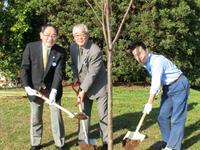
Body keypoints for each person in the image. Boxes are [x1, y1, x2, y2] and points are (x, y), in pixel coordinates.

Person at [129, 41, 190, 150]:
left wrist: (149, 103)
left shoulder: (156, 61)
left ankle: (173, 147)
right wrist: (156, 94)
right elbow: (160, 79)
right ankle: (167, 141)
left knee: (177, 119)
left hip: (179, 84)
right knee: (162, 117)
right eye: (135, 56)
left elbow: (155, 83)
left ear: (146, 50)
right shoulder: (146, 63)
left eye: (140, 53)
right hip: (168, 88)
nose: (138, 58)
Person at [21, 24, 65, 150]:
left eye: (53, 36)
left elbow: (59, 73)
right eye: (47, 35)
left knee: (57, 118)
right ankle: (35, 143)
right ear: (41, 35)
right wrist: (26, 87)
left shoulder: (60, 51)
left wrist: (54, 91)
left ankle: (59, 143)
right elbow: (24, 69)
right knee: (35, 117)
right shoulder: (31, 47)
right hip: (35, 90)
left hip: (53, 89)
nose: (50, 38)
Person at [70, 24, 108, 149]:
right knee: (83, 113)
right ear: (73, 37)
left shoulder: (95, 50)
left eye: (82, 34)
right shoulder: (73, 48)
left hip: (99, 86)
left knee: (103, 114)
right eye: (77, 35)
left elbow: (92, 73)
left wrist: (82, 91)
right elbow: (75, 65)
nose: (80, 38)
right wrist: (76, 78)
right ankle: (83, 140)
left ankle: (106, 142)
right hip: (83, 85)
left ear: (88, 35)